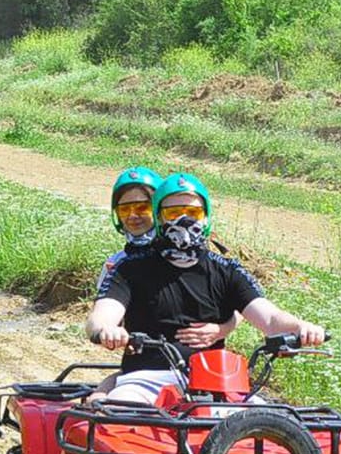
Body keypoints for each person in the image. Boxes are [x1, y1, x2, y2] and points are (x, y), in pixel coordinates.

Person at [86, 172, 325, 405]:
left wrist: (301, 327)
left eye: (193, 212)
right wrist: (106, 329)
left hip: (216, 383)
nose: (184, 219)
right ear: (159, 219)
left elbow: (271, 318)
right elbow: (103, 314)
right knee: (118, 417)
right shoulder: (129, 269)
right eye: (173, 212)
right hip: (146, 380)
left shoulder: (227, 270)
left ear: (206, 217)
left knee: (268, 426)